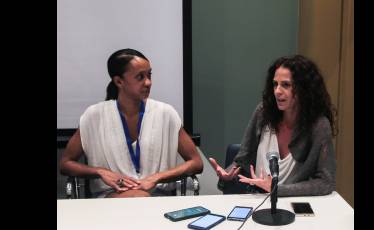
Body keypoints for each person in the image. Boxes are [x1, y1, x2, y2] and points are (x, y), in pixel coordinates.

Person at [60, 48, 203, 198]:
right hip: (111, 197)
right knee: (138, 197)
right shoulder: (94, 116)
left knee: (141, 197)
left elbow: (196, 162)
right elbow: (66, 163)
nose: (148, 82)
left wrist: (157, 177)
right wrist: (100, 172)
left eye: (149, 75)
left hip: (159, 198)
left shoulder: (165, 113)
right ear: (119, 81)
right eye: (140, 77)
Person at [209, 55, 337, 196]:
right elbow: (242, 160)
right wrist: (228, 174)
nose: (277, 91)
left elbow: (326, 182)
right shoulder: (263, 112)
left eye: (286, 85)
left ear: (304, 89)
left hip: (292, 202)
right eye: (275, 84)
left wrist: (276, 189)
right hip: (256, 198)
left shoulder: (318, 125)